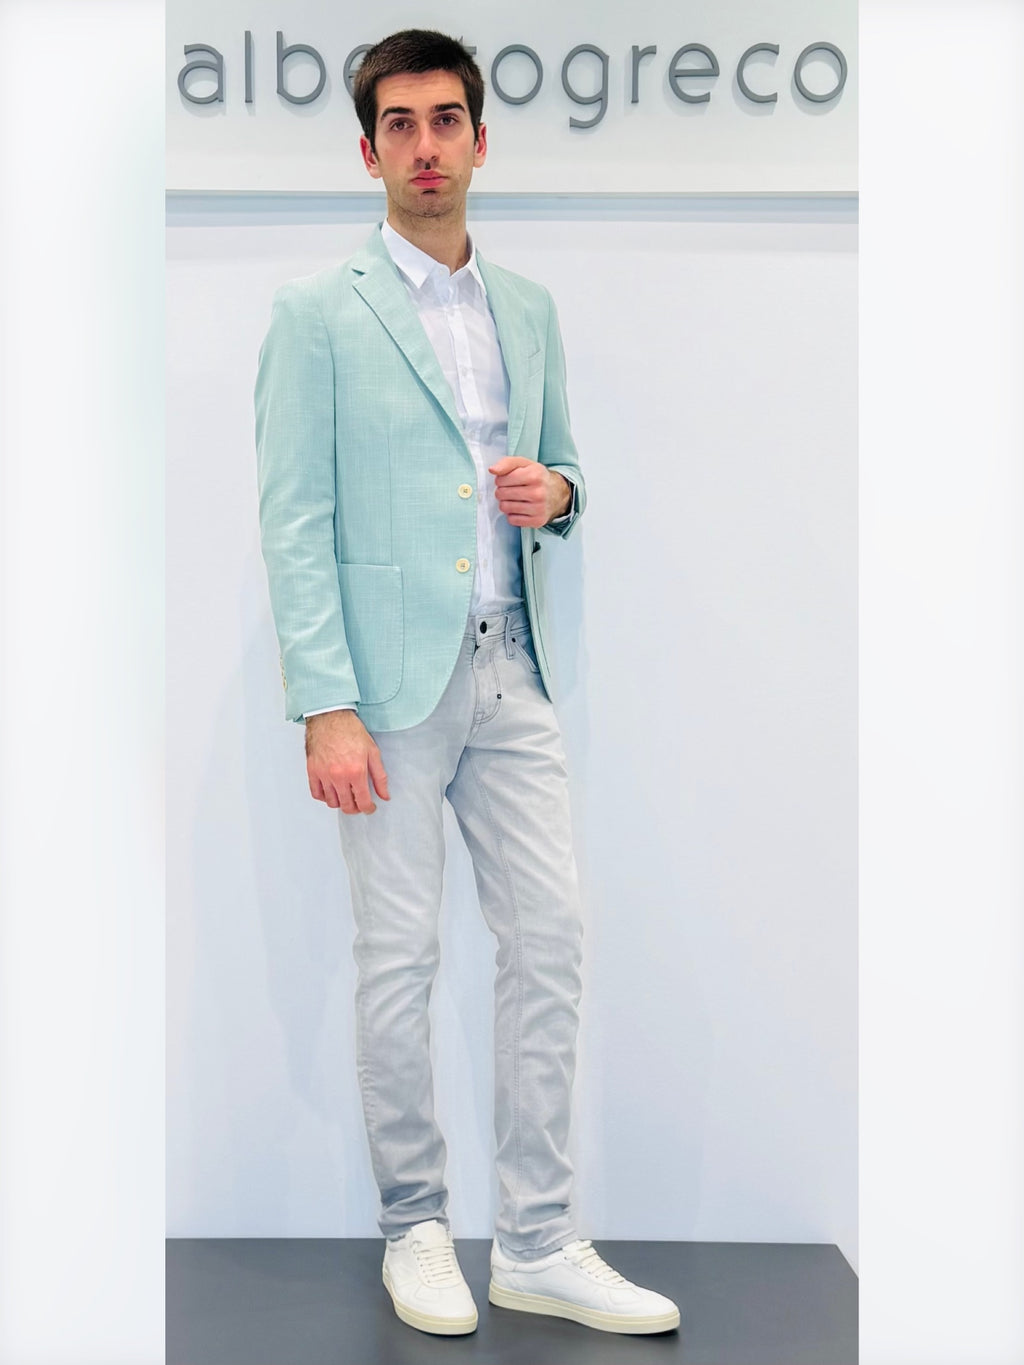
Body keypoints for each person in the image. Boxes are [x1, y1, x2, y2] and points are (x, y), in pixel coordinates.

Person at [254, 27, 680, 1338]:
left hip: (514, 669)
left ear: (481, 141)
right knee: (398, 957)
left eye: (447, 121)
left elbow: (566, 467)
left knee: (550, 941)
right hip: (385, 691)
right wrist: (325, 700)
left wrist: (561, 491)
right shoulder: (318, 314)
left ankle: (539, 1238)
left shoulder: (528, 309)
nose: (426, 146)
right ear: (369, 150)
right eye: (401, 124)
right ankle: (416, 1226)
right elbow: (293, 519)